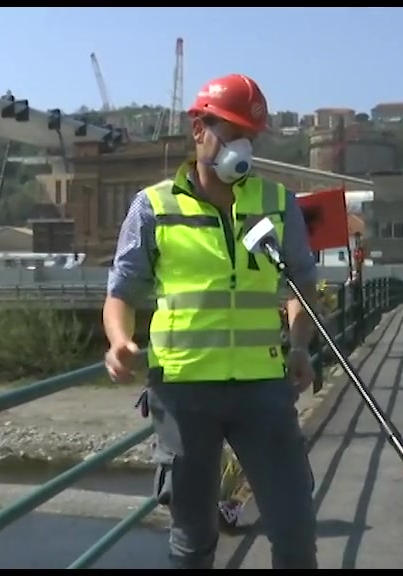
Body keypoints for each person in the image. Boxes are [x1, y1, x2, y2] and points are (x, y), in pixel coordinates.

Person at [103, 73, 319, 570]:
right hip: (183, 393)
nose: (241, 146)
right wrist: (119, 342)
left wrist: (301, 347)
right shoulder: (153, 206)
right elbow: (121, 293)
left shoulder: (278, 203)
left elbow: (301, 285)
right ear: (198, 128)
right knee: (193, 536)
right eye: (231, 131)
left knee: (294, 528)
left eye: (250, 136)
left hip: (264, 388)